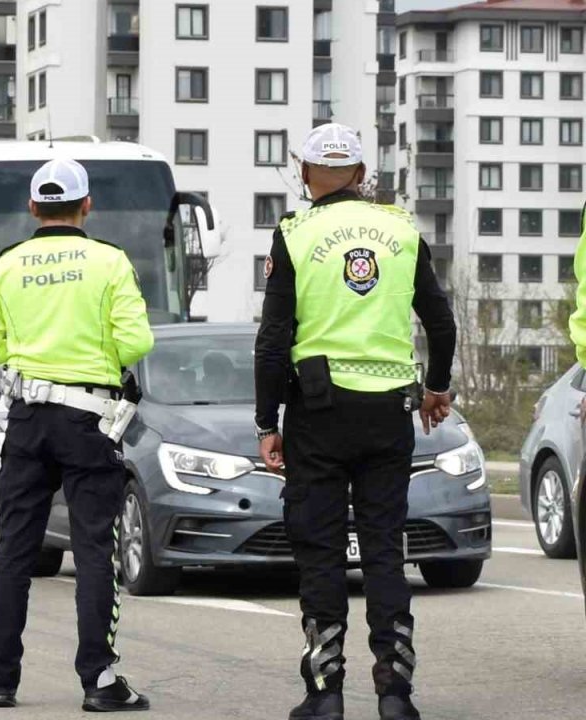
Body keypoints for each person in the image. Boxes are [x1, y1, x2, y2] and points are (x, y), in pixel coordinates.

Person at [254, 123, 456, 720]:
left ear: (307, 174)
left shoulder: (294, 232)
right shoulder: (401, 228)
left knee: (319, 549)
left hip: (318, 413)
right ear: (363, 175)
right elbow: (440, 323)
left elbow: (272, 340)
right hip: (391, 410)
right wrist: (436, 389)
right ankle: (395, 692)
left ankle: (326, 693)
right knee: (384, 547)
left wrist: (268, 421)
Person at [0, 158, 154, 712]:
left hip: (27, 419)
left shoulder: (6, 265)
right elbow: (136, 342)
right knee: (95, 549)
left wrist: (30, 351)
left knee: (14, 553)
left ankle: (0, 681)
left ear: (33, 208)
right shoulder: (109, 262)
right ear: (86, 205)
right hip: (89, 418)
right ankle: (98, 681)